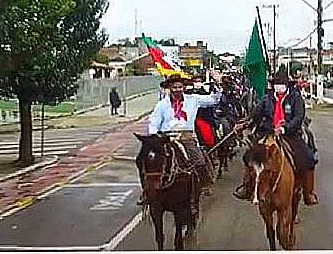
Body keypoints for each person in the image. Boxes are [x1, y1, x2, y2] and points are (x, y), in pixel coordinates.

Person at [136, 71, 224, 205]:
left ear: (183, 87)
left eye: (179, 87)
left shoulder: (194, 99)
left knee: (199, 161)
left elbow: (213, 100)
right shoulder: (162, 104)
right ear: (169, 88)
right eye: (174, 87)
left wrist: (218, 83)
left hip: (186, 138)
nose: (177, 90)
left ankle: (202, 185)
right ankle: (147, 191)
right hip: (166, 139)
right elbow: (154, 121)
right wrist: (154, 137)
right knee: (143, 160)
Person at [233, 69, 319, 205]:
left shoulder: (295, 98)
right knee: (249, 157)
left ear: (287, 84)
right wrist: (244, 124)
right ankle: (247, 187)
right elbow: (256, 114)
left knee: (307, 158)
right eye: (277, 83)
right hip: (268, 133)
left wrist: (285, 128)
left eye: (282, 83)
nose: (279, 86)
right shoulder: (267, 99)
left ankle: (309, 193)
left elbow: (298, 117)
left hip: (290, 134)